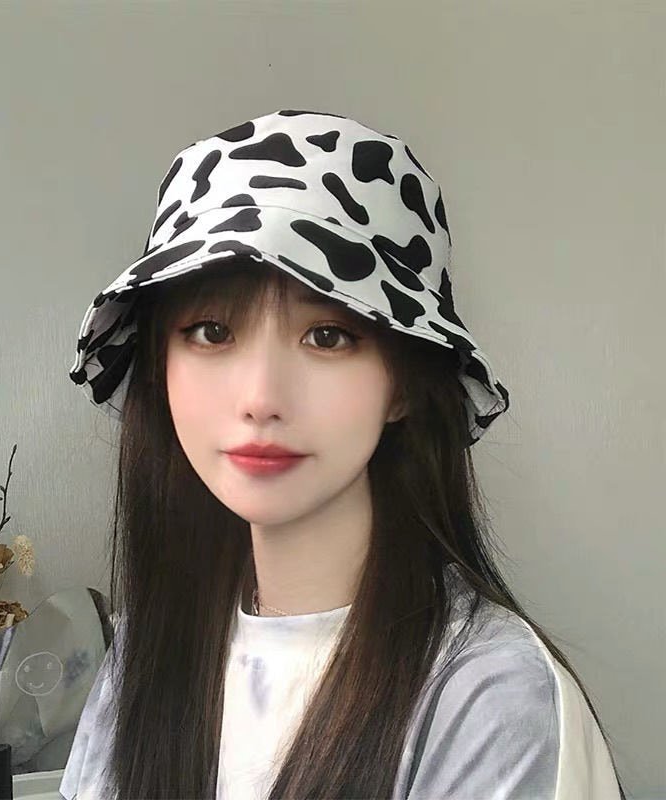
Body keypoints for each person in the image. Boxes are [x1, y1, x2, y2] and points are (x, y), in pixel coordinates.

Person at [59, 109, 627, 799]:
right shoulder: (142, 658)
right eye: (211, 331)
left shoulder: (491, 698)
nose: (261, 398)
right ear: (161, 367)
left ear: (403, 384)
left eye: (327, 336)